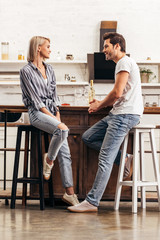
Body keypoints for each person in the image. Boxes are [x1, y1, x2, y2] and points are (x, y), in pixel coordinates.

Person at [68, 32, 144, 213]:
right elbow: (120, 93)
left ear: (117, 46)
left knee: (104, 158)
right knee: (88, 137)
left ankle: (92, 201)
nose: (103, 51)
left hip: (123, 115)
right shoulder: (124, 64)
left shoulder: (124, 62)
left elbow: (117, 93)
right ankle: (124, 158)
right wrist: (102, 103)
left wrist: (99, 105)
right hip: (118, 113)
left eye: (106, 46)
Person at [20, 36, 79, 206]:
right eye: (48, 46)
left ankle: (70, 194)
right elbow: (36, 101)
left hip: (52, 112)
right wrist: (55, 120)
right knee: (63, 130)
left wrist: (57, 114)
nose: (50, 49)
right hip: (37, 113)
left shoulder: (50, 69)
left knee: (66, 153)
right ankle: (49, 160)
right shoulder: (26, 71)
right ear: (38, 48)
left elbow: (54, 95)